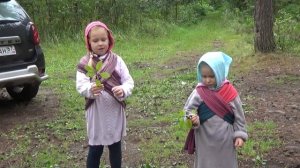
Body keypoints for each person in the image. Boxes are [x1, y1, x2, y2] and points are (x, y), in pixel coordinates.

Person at [76, 21, 134, 168]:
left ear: (109, 40)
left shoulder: (117, 61)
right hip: (96, 114)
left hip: (114, 112)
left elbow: (128, 82)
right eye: (95, 40)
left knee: (115, 147)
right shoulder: (85, 63)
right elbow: (80, 85)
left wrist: (123, 89)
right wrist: (90, 89)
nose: (100, 43)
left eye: (103, 39)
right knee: (95, 148)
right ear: (89, 42)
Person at [183, 51, 248, 168]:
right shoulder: (198, 92)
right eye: (204, 76)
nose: (207, 80)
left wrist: (240, 135)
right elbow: (188, 110)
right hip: (204, 139)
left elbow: (239, 116)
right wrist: (192, 119)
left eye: (211, 76)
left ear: (220, 73)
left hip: (225, 139)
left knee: (225, 163)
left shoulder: (230, 92)